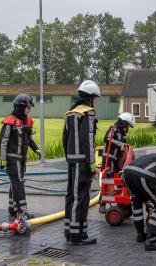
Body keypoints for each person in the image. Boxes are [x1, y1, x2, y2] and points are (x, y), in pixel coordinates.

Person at [63, 80, 100, 245]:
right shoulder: (88, 113)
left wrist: (68, 157)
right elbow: (88, 142)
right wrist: (92, 165)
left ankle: (70, 231)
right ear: (91, 98)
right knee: (81, 198)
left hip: (71, 161)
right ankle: (77, 236)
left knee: (71, 196)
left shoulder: (70, 113)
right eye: (95, 98)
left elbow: (64, 139)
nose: (95, 102)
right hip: (82, 162)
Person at [0, 94, 41, 221]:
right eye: (28, 108)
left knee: (15, 183)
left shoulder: (27, 121)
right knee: (18, 183)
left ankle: (12, 208)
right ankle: (22, 212)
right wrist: (3, 160)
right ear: (20, 108)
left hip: (22, 159)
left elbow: (29, 138)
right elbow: (3, 141)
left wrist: (36, 148)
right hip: (12, 159)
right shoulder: (9, 122)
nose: (29, 110)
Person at [98, 112, 135, 214]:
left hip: (116, 161)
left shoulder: (122, 135)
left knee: (119, 180)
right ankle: (102, 203)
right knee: (107, 180)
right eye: (128, 126)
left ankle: (120, 201)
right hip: (108, 160)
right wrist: (120, 144)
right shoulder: (113, 129)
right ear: (123, 123)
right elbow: (107, 139)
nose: (128, 129)